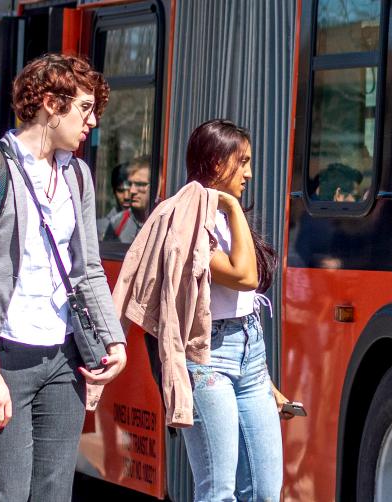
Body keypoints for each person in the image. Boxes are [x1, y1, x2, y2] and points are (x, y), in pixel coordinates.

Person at [0, 53, 127, 501]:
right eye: (84, 108)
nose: (93, 121)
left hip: (64, 358)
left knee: (54, 493)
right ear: (50, 103)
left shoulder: (78, 175)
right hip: (4, 356)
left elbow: (88, 268)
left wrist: (113, 340)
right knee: (6, 492)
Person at [113, 119, 292, 501]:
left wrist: (268, 382)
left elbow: (248, 293)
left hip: (250, 354)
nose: (249, 172)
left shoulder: (228, 217)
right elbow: (245, 277)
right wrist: (229, 205)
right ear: (214, 163)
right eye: (241, 161)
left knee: (264, 490)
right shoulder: (185, 222)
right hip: (206, 358)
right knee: (218, 492)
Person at [99, 157, 151, 243]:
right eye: (130, 184)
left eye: (140, 184)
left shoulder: (167, 220)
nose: (131, 191)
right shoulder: (116, 223)